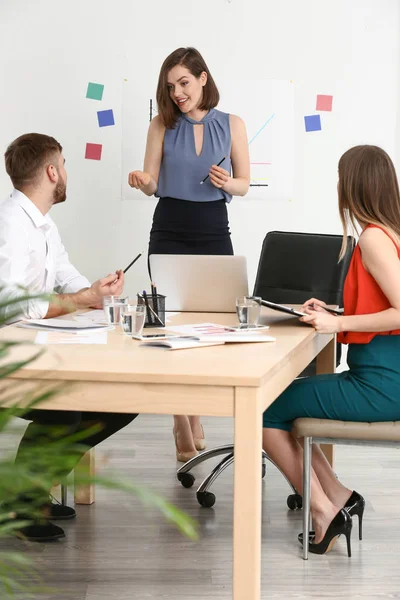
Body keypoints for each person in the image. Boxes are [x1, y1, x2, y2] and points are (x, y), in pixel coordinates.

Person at [262, 144, 400, 556]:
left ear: (354, 185)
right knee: (287, 407)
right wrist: (335, 310)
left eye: (341, 178)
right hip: (383, 377)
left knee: (265, 408)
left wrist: (338, 323)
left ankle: (322, 509)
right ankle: (338, 496)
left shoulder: (374, 237)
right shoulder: (389, 232)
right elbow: (381, 303)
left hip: (383, 384)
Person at [1, 133, 138, 541]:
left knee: (123, 400)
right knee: (65, 407)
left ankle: (29, 493)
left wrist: (98, 294)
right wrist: (80, 299)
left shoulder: (42, 223)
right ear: (51, 171)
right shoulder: (11, 224)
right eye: (63, 163)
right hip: (11, 354)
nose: (65, 171)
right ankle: (20, 502)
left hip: (36, 345)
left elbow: (65, 273)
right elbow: (13, 303)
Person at [128, 47, 250, 462]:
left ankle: (195, 409)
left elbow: (245, 185)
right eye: (170, 86)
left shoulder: (232, 124)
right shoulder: (161, 125)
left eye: (183, 83)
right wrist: (143, 179)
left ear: (202, 78)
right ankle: (181, 419)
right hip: (170, 227)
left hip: (214, 229)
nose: (177, 92)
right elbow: (151, 183)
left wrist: (227, 181)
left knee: (210, 325)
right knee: (168, 328)